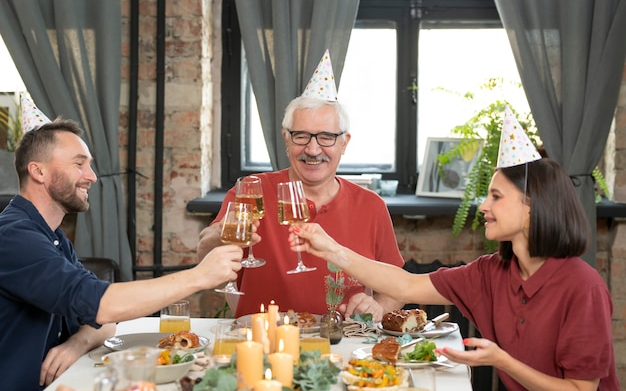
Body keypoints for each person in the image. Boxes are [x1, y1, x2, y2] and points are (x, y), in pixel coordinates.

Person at [288, 110, 619, 391]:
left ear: (532, 209)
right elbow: (405, 285)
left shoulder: (582, 287)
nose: (484, 206)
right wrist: (331, 250)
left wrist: (501, 361)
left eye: (497, 197)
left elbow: (580, 389)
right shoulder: (490, 272)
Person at [0, 114, 243, 391]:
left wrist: (76, 343)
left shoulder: (53, 237)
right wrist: (199, 276)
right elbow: (104, 306)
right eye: (79, 164)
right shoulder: (14, 237)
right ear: (38, 171)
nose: (91, 176)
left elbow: (105, 320)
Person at [197, 50, 404, 319]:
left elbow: (398, 288)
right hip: (263, 343)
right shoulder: (252, 190)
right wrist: (228, 230)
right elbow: (203, 252)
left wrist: (379, 307)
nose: (313, 149)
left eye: (327, 137)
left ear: (345, 142)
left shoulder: (371, 205)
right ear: (286, 139)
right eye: (301, 136)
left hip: (343, 345)